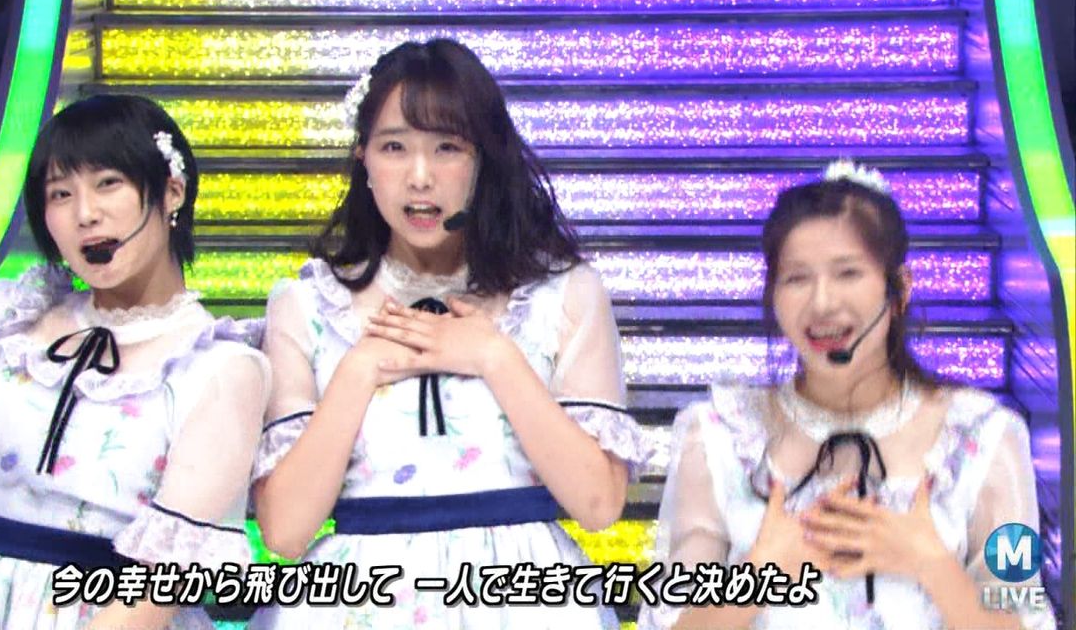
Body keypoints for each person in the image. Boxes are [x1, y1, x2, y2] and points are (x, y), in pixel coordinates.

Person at [249, 38, 660, 629]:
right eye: (394, 148)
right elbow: (285, 532)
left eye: (447, 148)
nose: (420, 178)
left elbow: (598, 505)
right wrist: (360, 369)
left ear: (483, 158)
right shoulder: (308, 303)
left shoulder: (562, 293)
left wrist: (495, 357)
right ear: (363, 158)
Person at [0, 94, 270, 630]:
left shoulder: (221, 365)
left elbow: (169, 571)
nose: (85, 214)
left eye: (108, 183)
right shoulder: (15, 318)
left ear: (172, 192)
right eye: (60, 194)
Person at [638, 161, 1056, 630]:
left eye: (848, 273)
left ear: (899, 290)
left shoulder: (983, 438)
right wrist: (760, 573)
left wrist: (932, 566)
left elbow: (1022, 618)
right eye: (797, 278)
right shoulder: (719, 436)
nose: (822, 303)